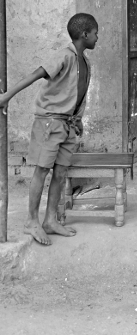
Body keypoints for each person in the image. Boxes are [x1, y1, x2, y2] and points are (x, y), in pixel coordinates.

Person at [0, 13, 98, 245]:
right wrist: (7, 96)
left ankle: (50, 220)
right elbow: (37, 74)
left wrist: (78, 118)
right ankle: (31, 221)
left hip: (68, 124)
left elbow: (77, 93)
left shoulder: (85, 62)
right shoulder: (64, 56)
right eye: (95, 33)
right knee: (42, 170)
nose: (97, 37)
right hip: (49, 123)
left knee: (61, 172)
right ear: (85, 34)